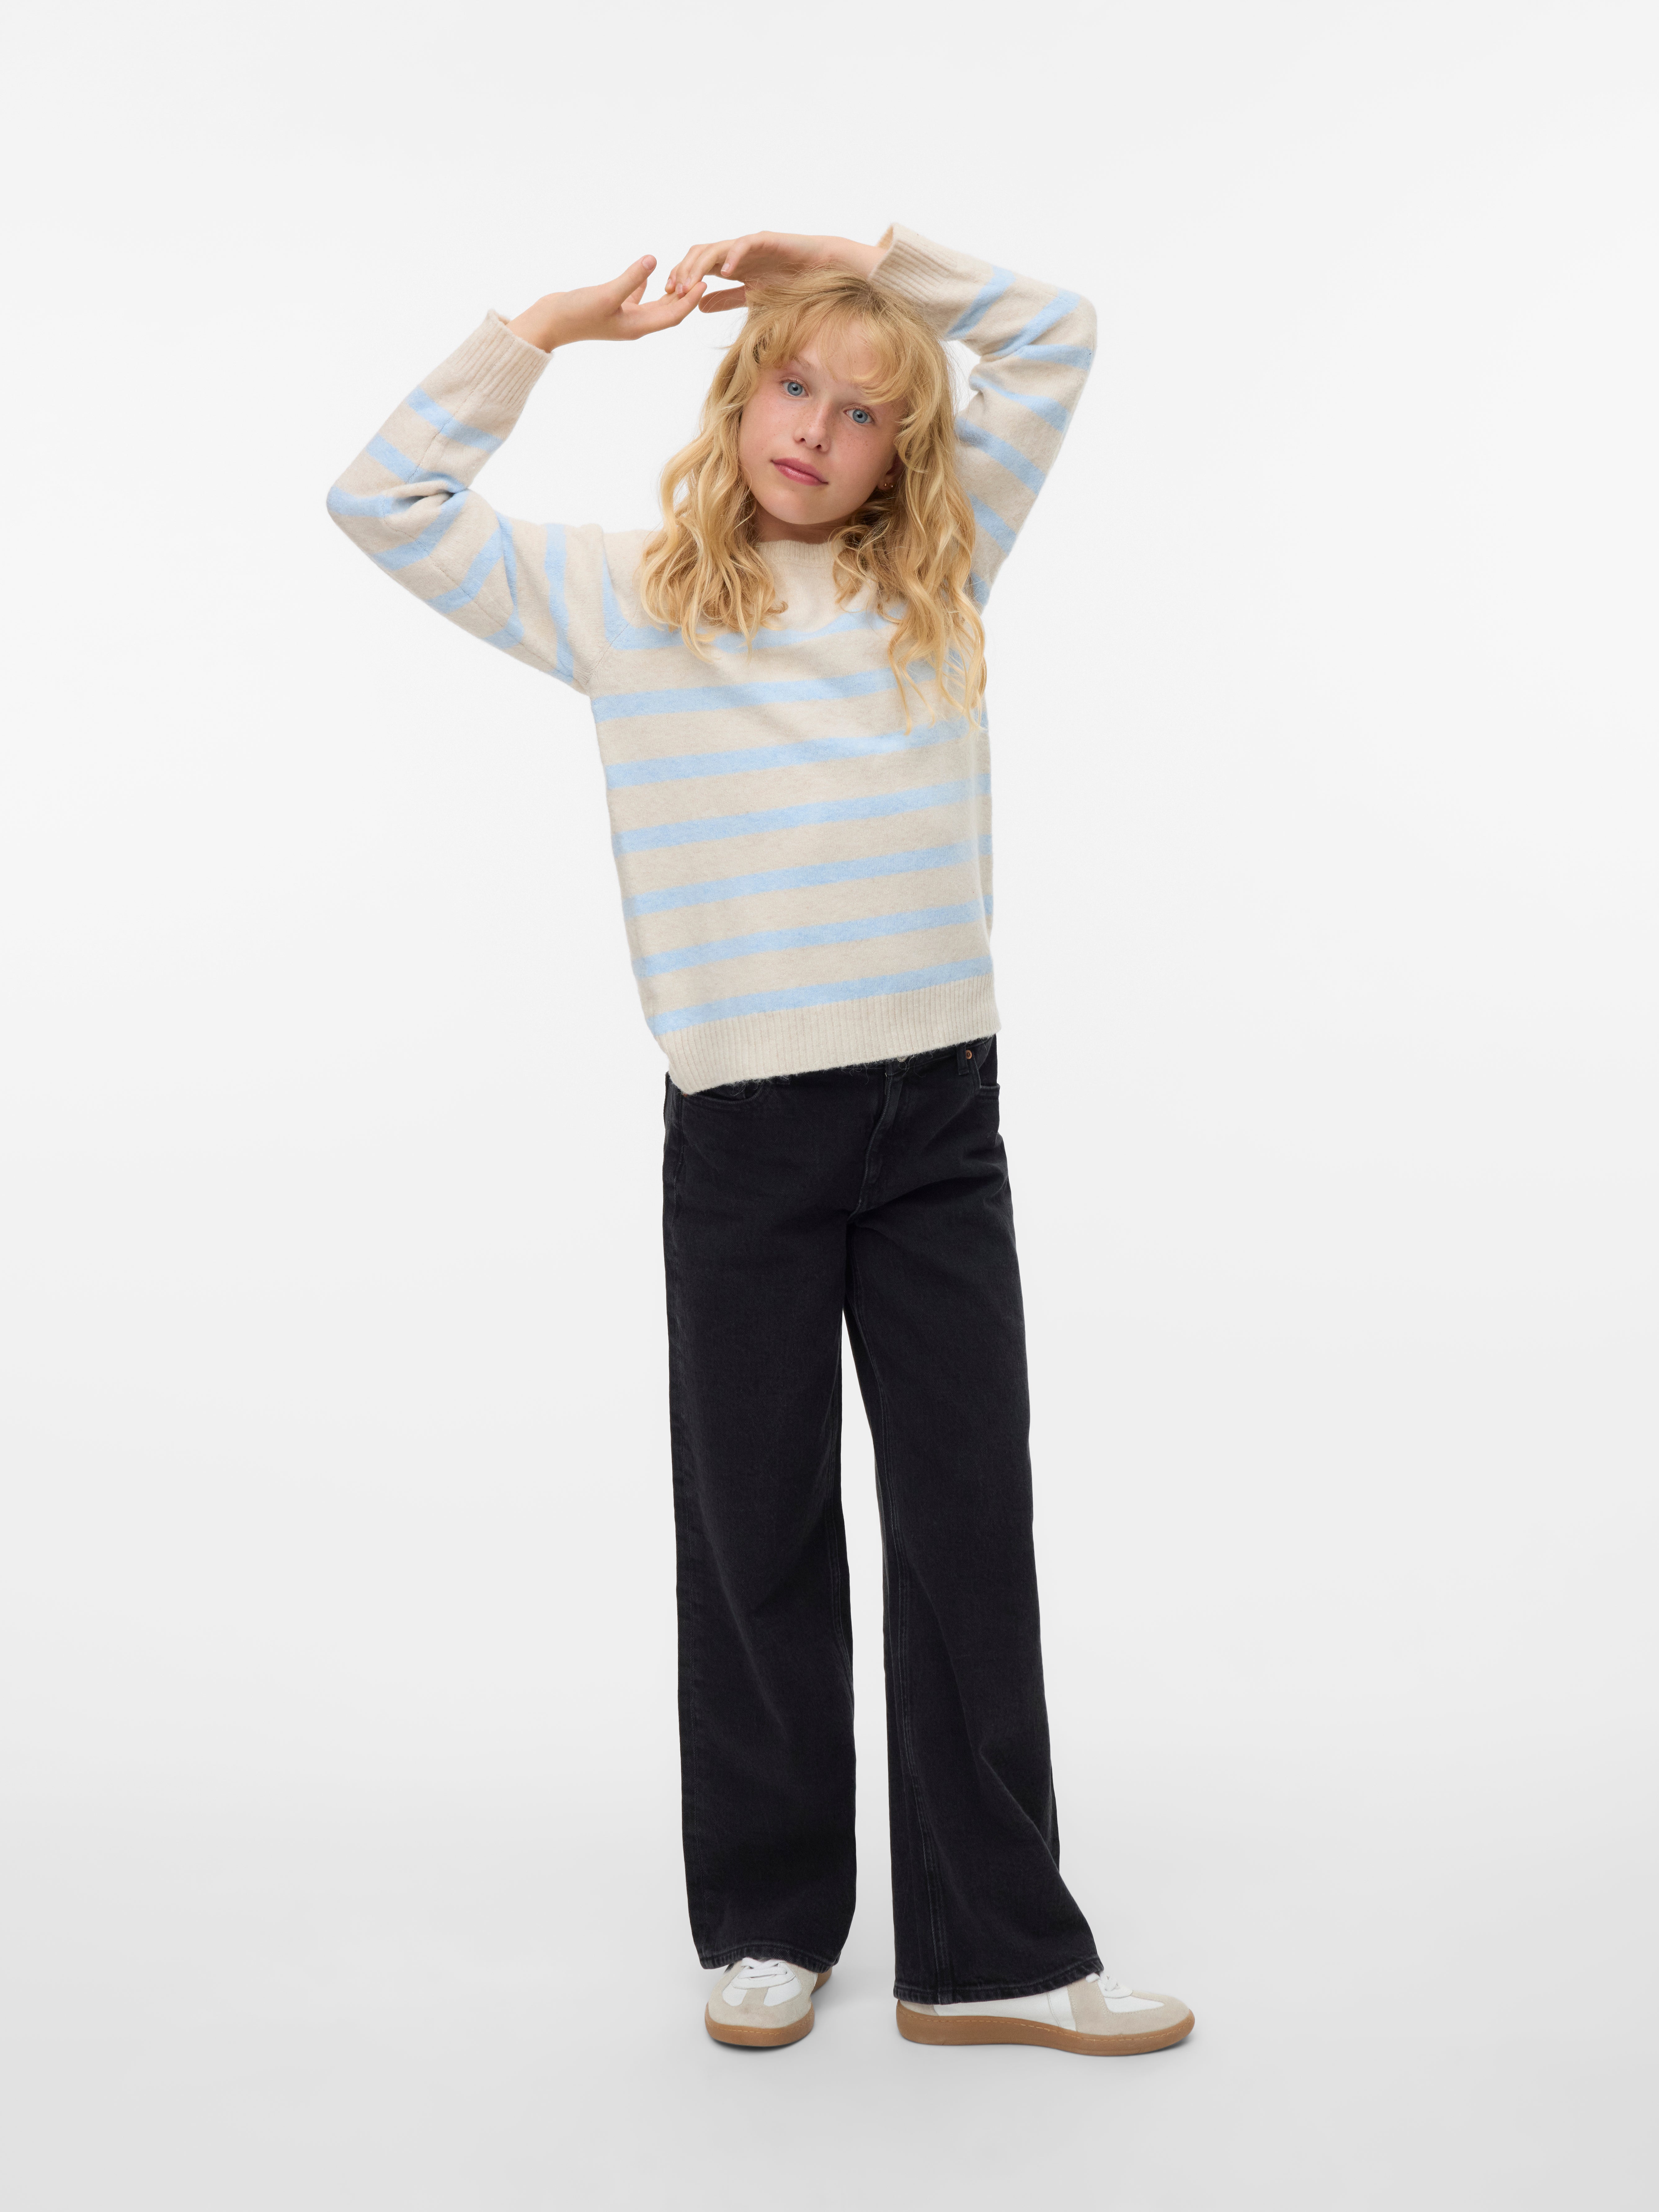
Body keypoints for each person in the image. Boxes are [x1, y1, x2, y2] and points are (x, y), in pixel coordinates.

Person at [327, 225, 1194, 2058]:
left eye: (864, 412)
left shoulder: (938, 578)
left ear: (905, 456)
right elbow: (385, 499)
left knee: (967, 1521)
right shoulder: (627, 599)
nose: (816, 428)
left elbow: (1055, 334)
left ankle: (991, 1951)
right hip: (744, 1133)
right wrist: (549, 327)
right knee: (755, 1529)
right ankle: (771, 1921)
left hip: (938, 1117)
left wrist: (868, 262)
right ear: (737, 400)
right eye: (792, 385)